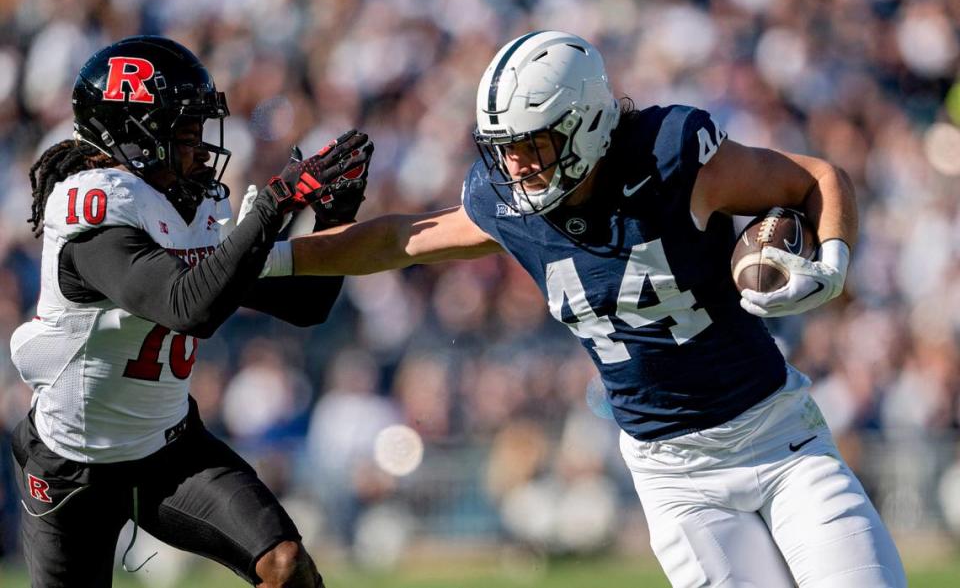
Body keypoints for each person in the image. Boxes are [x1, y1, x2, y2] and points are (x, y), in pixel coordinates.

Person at [290, 31, 907, 587]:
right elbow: (399, 238)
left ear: (585, 124)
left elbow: (818, 178)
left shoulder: (674, 161)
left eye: (533, 144)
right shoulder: (507, 207)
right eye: (505, 147)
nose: (515, 165)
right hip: (674, 476)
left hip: (779, 437)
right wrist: (269, 257)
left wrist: (831, 265)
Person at [9, 35, 372, 588]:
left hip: (168, 450)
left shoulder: (192, 204)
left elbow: (305, 306)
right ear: (133, 134)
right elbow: (187, 306)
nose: (201, 150)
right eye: (184, 133)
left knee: (286, 566)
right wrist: (274, 204)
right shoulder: (95, 211)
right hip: (71, 466)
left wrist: (334, 213)